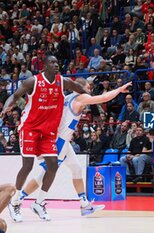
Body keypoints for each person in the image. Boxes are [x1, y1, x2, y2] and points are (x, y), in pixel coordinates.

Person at [15, 79, 132, 221]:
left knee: (76, 169)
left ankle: (84, 204)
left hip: (62, 140)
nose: (90, 89)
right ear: (79, 88)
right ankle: (22, 201)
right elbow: (103, 98)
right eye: (88, 87)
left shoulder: (67, 97)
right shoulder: (80, 97)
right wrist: (119, 90)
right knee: (44, 174)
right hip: (60, 142)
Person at [1, 55, 87, 222]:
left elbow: (80, 89)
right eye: (52, 63)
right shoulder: (32, 81)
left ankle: (39, 203)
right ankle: (16, 201)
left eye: (57, 62)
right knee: (28, 166)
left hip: (48, 131)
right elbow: (15, 96)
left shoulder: (63, 82)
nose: (56, 65)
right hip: (30, 128)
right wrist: (6, 106)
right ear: (44, 66)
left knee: (53, 165)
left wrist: (88, 99)